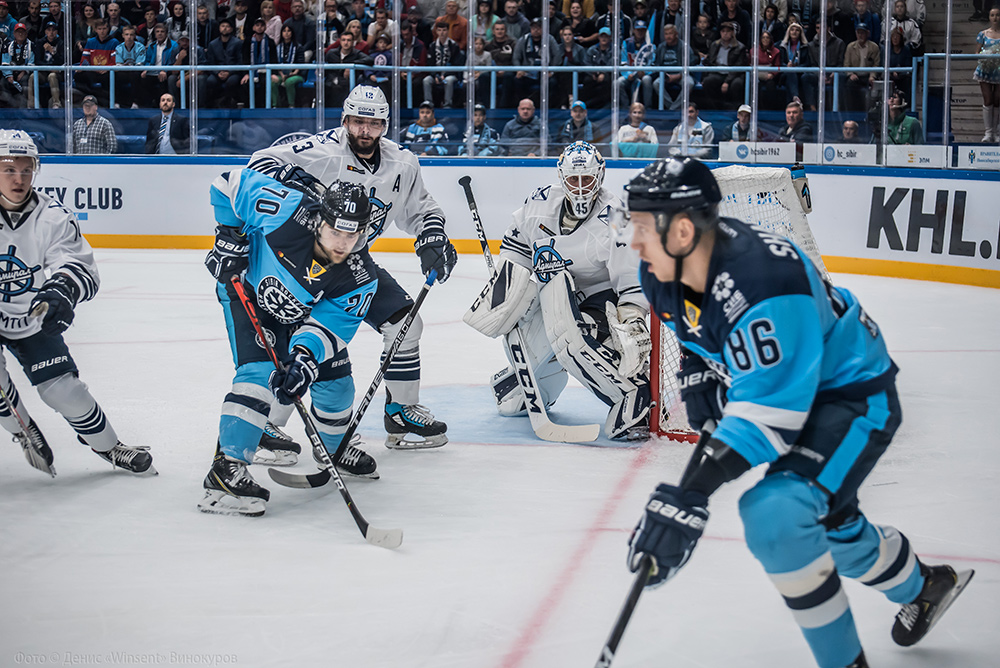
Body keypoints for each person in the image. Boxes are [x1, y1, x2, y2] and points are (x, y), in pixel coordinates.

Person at [623, 156, 975, 668]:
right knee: (830, 526)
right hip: (793, 383)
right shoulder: (662, 270)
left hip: (849, 395)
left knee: (778, 515)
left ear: (681, 230)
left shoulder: (768, 285)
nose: (632, 242)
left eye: (639, 228)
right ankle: (926, 587)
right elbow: (695, 330)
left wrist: (691, 493)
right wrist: (697, 372)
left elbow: (769, 419)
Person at [246, 85, 457, 452]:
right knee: (302, 348)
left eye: (373, 123)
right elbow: (259, 163)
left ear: (385, 126)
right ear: (345, 120)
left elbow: (422, 208)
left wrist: (433, 235)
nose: (365, 130)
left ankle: (400, 410)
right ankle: (266, 425)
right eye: (358, 121)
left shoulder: (402, 163)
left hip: (353, 262)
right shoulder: (322, 151)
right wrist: (298, 182)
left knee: (406, 324)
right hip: (304, 260)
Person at [199, 174, 380, 517]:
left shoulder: (359, 277)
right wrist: (229, 236)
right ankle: (225, 469)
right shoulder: (288, 210)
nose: (342, 243)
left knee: (337, 383)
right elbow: (226, 185)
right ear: (319, 220)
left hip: (299, 315)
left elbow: (328, 327)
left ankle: (333, 451)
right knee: (260, 373)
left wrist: (303, 361)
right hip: (246, 292)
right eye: (335, 231)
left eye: (352, 234)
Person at [465, 141, 651, 441]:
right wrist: (508, 296)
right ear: (562, 178)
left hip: (597, 298)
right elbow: (516, 253)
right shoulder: (538, 204)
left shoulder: (616, 217)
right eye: (573, 180)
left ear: (600, 177)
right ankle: (524, 380)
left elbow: (631, 278)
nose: (579, 188)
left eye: (586, 179)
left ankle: (632, 392)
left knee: (573, 337)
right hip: (549, 293)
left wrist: (631, 316)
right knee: (512, 404)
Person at [0, 129, 153, 477]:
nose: (19, 178)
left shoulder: (52, 215)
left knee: (64, 392)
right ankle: (22, 431)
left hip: (31, 316)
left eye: (26, 170)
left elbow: (77, 264)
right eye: (9, 169)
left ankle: (110, 447)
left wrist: (61, 291)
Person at [513, 17, 561, 103]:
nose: (536, 30)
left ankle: (550, 107)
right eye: (533, 28)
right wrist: (519, 69)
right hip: (527, 73)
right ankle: (523, 105)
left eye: (538, 27)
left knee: (553, 83)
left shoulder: (550, 39)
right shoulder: (523, 39)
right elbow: (516, 57)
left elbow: (557, 56)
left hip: (545, 73)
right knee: (517, 81)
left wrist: (552, 71)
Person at [701, 22, 747, 110]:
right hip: (718, 72)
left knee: (737, 84)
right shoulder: (714, 45)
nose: (725, 33)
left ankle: (736, 109)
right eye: (723, 31)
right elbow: (709, 62)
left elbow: (738, 67)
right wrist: (704, 77)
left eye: (728, 31)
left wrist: (727, 82)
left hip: (734, 74)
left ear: (732, 33)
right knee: (708, 82)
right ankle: (716, 109)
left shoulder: (740, 47)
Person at [652, 23, 695, 111]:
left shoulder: (684, 46)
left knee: (689, 83)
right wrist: (664, 75)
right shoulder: (661, 47)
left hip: (682, 74)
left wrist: (679, 75)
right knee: (656, 83)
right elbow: (657, 64)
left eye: (670, 33)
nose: (668, 36)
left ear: (676, 34)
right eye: (666, 34)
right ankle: (672, 106)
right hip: (665, 75)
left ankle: (673, 109)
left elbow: (691, 63)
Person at [974, 6, 1000, 142]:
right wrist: (986, 57)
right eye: (992, 15)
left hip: (999, 71)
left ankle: (996, 133)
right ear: (989, 17)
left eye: (997, 15)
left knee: (997, 100)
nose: (995, 18)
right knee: (988, 99)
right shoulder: (983, 34)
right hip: (985, 70)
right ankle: (988, 132)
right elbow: (976, 53)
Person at [423, 19, 464, 108]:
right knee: (426, 80)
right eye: (439, 30)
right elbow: (430, 63)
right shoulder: (432, 46)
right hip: (436, 74)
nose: (442, 33)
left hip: (450, 74)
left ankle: (447, 104)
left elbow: (456, 64)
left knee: (448, 80)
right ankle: (428, 103)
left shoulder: (454, 46)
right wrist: (435, 75)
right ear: (436, 31)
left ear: (448, 31)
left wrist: (445, 74)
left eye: (444, 30)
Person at [325, 30, 371, 107]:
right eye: (343, 40)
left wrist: (351, 65)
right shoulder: (331, 53)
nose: (346, 43)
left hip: (346, 84)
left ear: (353, 42)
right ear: (340, 41)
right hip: (330, 83)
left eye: (349, 40)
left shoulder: (356, 53)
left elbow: (370, 60)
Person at [843, 22, 880, 113]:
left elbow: (876, 64)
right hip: (856, 76)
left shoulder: (874, 47)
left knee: (876, 86)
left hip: (868, 76)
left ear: (867, 33)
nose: (860, 35)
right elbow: (846, 64)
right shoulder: (850, 47)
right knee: (849, 84)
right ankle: (851, 112)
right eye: (858, 33)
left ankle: (872, 112)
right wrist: (850, 74)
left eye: (862, 33)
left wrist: (873, 76)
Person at [1, 22, 33, 108]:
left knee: (26, 82)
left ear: (26, 34)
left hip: (24, 73)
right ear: (14, 34)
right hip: (11, 73)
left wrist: (23, 72)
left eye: (22, 32)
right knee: (2, 83)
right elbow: (4, 63)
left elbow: (31, 63)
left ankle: (24, 108)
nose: (20, 34)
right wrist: (9, 75)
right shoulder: (7, 46)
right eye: (18, 32)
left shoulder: (31, 46)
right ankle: (7, 107)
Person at [582, 26, 614, 109]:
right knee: (587, 80)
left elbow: (613, 62)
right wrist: (592, 73)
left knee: (608, 80)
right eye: (602, 36)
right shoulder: (592, 49)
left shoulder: (614, 50)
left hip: (608, 74)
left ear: (610, 38)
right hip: (593, 73)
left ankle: (604, 107)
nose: (604, 38)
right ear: (598, 37)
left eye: (606, 36)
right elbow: (586, 62)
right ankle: (587, 105)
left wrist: (603, 73)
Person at [273, 23, 304, 108]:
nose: (286, 33)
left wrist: (293, 73)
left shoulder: (298, 47)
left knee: (289, 82)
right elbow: (275, 63)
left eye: (289, 31)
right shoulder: (277, 47)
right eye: (284, 31)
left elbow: (301, 64)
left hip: (296, 74)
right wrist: (282, 75)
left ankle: (291, 105)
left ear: (292, 33)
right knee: (272, 81)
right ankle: (275, 106)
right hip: (281, 74)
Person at [114, 25, 144, 109]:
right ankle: (116, 102)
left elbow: (139, 64)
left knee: (135, 75)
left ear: (134, 36)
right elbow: (119, 64)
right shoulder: (119, 48)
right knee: (115, 76)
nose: (129, 37)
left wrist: (127, 66)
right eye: (127, 34)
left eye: (131, 35)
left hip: (135, 71)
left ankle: (135, 102)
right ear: (123, 35)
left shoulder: (140, 47)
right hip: (123, 72)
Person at [33, 20, 63, 108]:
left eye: (53, 30)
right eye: (49, 30)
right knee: (32, 77)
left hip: (57, 73)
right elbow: (37, 61)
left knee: (52, 76)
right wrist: (49, 68)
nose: (51, 32)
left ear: (56, 32)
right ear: (46, 32)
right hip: (44, 72)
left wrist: (52, 52)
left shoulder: (61, 43)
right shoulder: (40, 42)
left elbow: (62, 61)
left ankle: (56, 103)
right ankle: (32, 104)